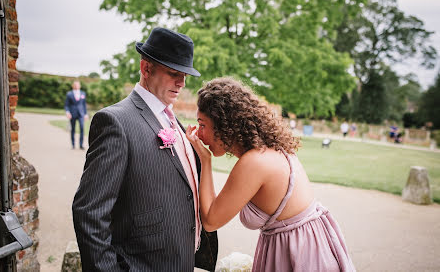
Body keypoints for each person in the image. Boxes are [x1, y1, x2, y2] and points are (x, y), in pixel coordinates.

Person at [72, 27, 217, 271]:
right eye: (173, 73)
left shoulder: (175, 122)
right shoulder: (115, 121)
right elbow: (89, 212)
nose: (181, 83)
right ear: (146, 68)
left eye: (185, 75)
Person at [186, 77, 355, 272]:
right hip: (310, 245)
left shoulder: (254, 162)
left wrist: (205, 161)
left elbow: (211, 221)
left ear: (224, 124)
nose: (198, 134)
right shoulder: (271, 150)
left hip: (299, 255)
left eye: (202, 124)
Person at [64, 80, 88, 149]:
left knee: (82, 128)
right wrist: (68, 112)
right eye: (75, 85)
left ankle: (81, 145)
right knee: (73, 129)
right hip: (72, 114)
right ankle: (73, 144)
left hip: (81, 114)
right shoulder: (69, 94)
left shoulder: (83, 93)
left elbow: (84, 105)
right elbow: (66, 105)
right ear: (73, 86)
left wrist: (85, 114)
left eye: (78, 85)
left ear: (80, 86)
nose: (77, 86)